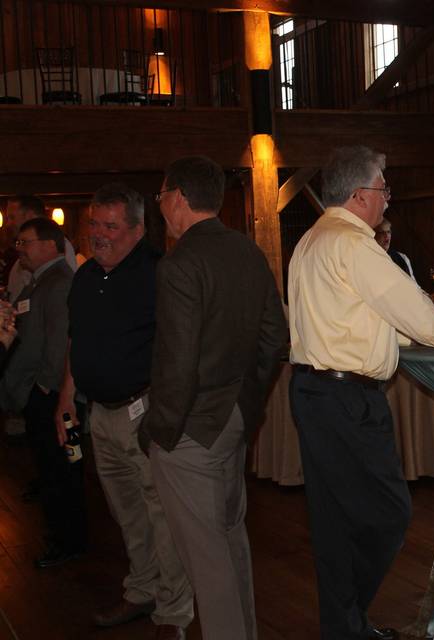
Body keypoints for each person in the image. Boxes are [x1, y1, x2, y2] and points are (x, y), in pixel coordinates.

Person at [287, 145, 434, 640]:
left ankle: (344, 627)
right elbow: (408, 306)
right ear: (358, 195)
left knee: (334, 523)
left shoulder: (313, 238)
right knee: (388, 514)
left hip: (316, 392)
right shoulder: (352, 243)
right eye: (382, 189)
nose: (387, 199)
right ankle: (347, 621)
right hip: (345, 398)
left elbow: (366, 313)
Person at [142, 156, 287, 640]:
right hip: (234, 418)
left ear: (179, 197)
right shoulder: (248, 251)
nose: (160, 204)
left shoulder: (180, 262)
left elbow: (176, 362)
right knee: (229, 542)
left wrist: (159, 429)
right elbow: (273, 340)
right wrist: (248, 402)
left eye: (161, 195)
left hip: (190, 428)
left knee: (207, 560)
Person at [55, 183, 193, 639]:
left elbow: (181, 347)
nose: (98, 234)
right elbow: (77, 341)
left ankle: (174, 611)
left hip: (144, 410)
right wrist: (64, 401)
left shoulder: (159, 272)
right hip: (99, 413)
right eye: (94, 224)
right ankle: (142, 589)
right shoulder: (88, 276)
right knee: (126, 511)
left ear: (136, 230)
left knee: (161, 513)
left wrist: (163, 407)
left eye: (110, 226)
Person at [0, 218, 85, 568]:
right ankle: (61, 535)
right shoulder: (40, 281)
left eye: (26, 242)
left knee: (65, 470)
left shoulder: (60, 282)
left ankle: (70, 541)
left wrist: (47, 389)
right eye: (17, 243)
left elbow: (63, 345)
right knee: (51, 471)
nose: (19, 249)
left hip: (56, 397)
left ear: (50, 245)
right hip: (43, 395)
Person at [4, 195, 78, 301]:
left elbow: (60, 295)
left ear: (29, 215)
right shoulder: (25, 253)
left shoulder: (57, 245)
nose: (8, 224)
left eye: (12, 217)